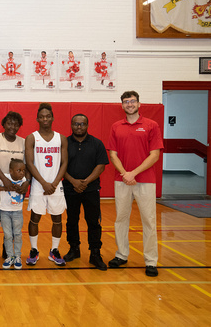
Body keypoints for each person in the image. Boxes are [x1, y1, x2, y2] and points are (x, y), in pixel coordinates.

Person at [107, 90, 164, 277]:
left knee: (149, 220)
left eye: (132, 101)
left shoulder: (151, 125)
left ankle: (151, 261)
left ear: (139, 104)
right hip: (122, 180)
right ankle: (121, 255)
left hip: (145, 180)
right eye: (125, 102)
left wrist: (134, 173)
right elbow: (112, 154)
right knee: (121, 219)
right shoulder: (116, 126)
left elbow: (154, 154)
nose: (129, 104)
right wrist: (125, 174)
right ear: (122, 105)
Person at [0, 111, 29, 268]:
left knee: (11, 220)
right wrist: (4, 179)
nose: (12, 126)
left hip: (14, 189)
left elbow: (29, 165)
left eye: (16, 124)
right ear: (4, 124)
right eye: (9, 123)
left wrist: (26, 182)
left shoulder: (23, 142)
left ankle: (7, 250)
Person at [62, 114, 109, 270]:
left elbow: (101, 166)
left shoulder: (97, 143)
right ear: (71, 125)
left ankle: (95, 253)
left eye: (82, 124)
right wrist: (74, 182)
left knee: (93, 222)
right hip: (70, 188)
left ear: (87, 125)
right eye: (76, 124)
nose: (79, 127)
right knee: (72, 220)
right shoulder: (65, 143)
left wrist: (85, 182)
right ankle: (74, 249)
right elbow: (60, 166)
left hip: (91, 189)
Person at [25, 102, 68, 266]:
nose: (45, 119)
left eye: (48, 116)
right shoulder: (31, 138)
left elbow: (64, 163)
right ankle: (34, 250)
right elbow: (29, 162)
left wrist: (54, 183)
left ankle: (54, 250)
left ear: (52, 118)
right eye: (41, 116)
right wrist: (43, 183)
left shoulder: (61, 138)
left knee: (57, 218)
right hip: (38, 184)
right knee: (34, 217)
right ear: (37, 118)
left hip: (56, 185)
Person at [0, 158, 26, 270]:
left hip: (17, 212)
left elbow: (24, 188)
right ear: (11, 171)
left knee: (17, 234)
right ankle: (9, 256)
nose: (22, 173)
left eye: (23, 170)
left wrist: (20, 188)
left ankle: (17, 256)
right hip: (5, 211)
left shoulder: (24, 179)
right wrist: (4, 188)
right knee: (8, 235)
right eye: (19, 170)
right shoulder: (5, 177)